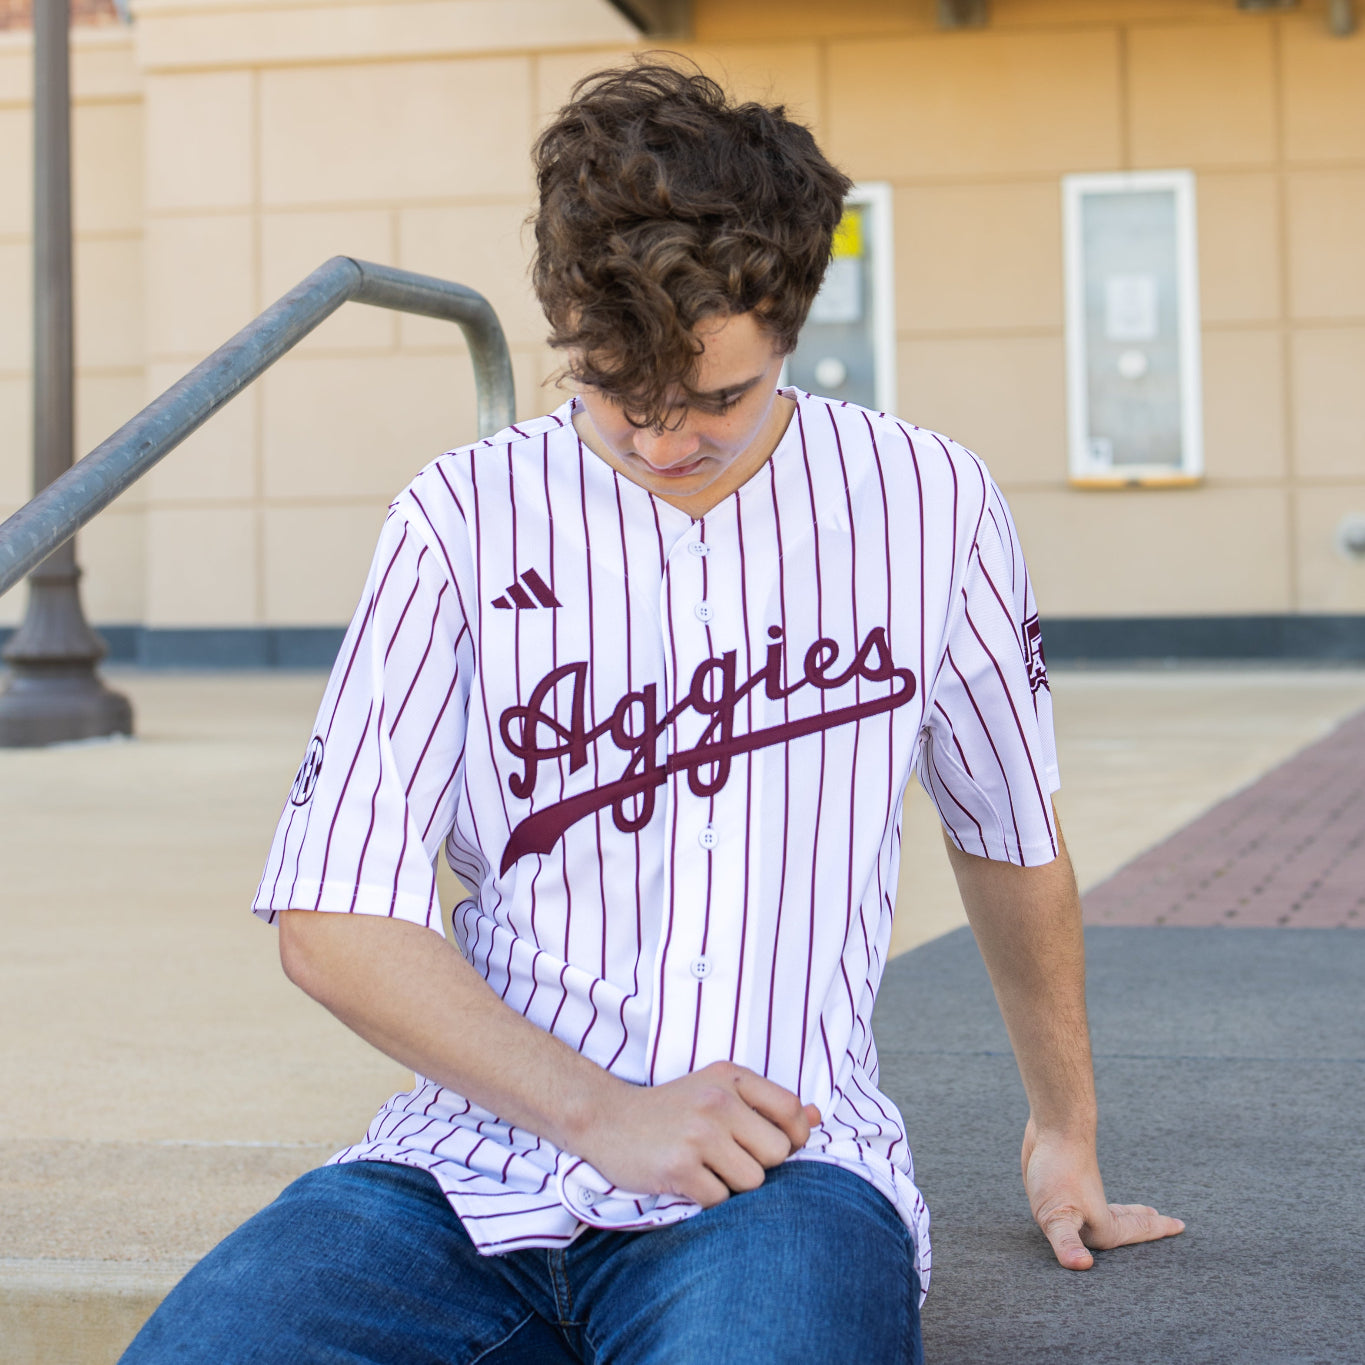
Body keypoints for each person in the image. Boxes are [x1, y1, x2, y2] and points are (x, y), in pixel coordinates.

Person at [122, 60, 1182, 1365]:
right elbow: (333, 914)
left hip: (775, 1175)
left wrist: (1063, 1129)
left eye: (719, 399)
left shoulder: (929, 503)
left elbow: (1007, 832)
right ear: (567, 328)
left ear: (791, 326)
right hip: (458, 1174)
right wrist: (603, 1113)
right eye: (618, 396)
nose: (666, 444)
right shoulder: (458, 518)